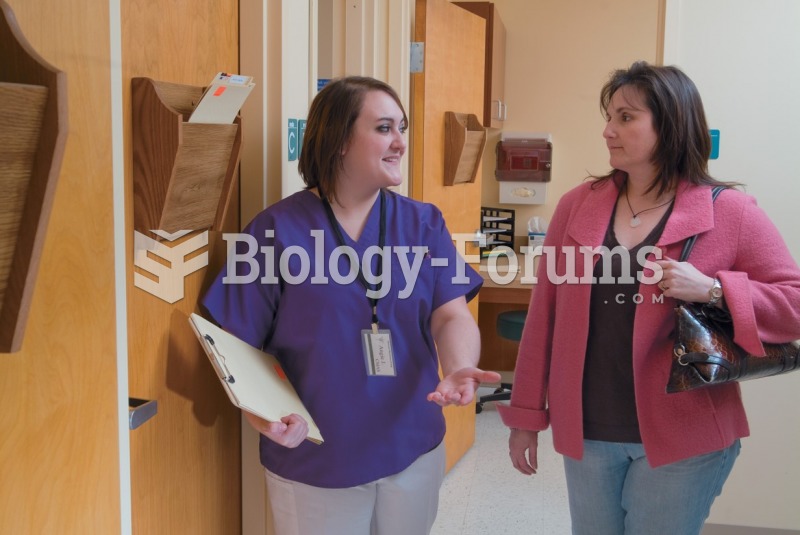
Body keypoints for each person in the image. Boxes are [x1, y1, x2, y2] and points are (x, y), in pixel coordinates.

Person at [497, 61, 800, 535]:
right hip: (590, 432)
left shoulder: (731, 211)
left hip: (686, 436)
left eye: (625, 117)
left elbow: (794, 303)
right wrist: (526, 418)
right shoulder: (577, 205)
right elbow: (544, 320)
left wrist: (714, 290)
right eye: (609, 117)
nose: (607, 131)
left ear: (671, 125)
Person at [201, 76, 499, 535]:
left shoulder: (423, 223)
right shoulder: (275, 231)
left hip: (411, 444)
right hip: (317, 457)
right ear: (339, 140)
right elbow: (238, 349)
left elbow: (450, 312)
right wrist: (264, 415)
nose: (401, 141)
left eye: (402, 127)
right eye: (384, 128)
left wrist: (460, 366)